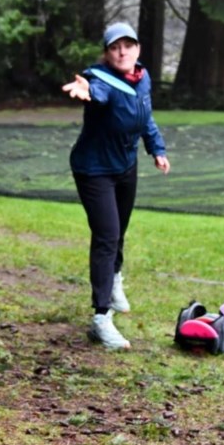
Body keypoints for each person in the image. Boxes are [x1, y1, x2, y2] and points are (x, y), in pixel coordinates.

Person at [61, 22, 171, 351]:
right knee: (106, 236)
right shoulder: (102, 79)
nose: (122, 52)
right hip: (94, 170)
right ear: (107, 53)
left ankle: (115, 279)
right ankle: (100, 318)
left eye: (128, 45)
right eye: (114, 47)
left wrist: (157, 149)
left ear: (137, 49)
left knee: (119, 229)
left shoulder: (142, 78)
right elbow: (99, 94)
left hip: (126, 166)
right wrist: (88, 93)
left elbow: (145, 116)